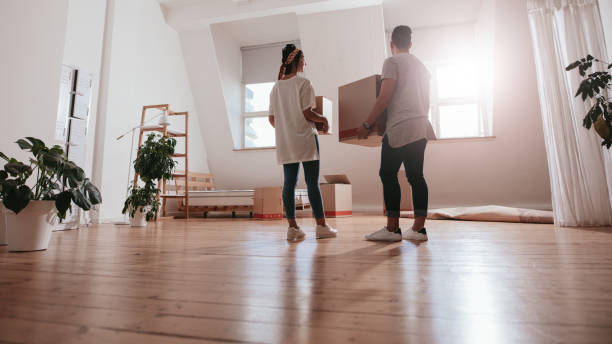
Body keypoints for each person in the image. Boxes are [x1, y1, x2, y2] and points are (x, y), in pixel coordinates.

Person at [357, 25, 436, 242]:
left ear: (392, 45)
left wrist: (366, 123)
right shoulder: (422, 67)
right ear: (410, 44)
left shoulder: (392, 62)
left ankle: (392, 229)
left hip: (400, 126)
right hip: (420, 126)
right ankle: (418, 229)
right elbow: (427, 102)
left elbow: (384, 98)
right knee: (416, 176)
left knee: (387, 173)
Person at [268, 44, 338, 241]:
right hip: (306, 139)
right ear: (298, 61)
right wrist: (324, 120)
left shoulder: (275, 88)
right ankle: (321, 226)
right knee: (312, 183)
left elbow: (272, 120)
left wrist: (287, 129)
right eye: (304, 59)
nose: (305, 63)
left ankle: (292, 228)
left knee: (289, 183)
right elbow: (308, 113)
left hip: (286, 142)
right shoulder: (304, 83)